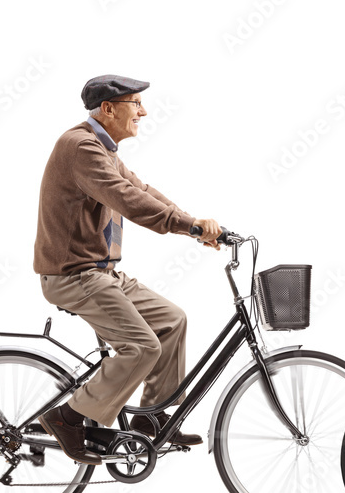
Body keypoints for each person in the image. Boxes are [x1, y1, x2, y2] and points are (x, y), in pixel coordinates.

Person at [33, 74, 222, 465]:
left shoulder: (103, 150)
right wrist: (189, 226)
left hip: (101, 274)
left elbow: (141, 190)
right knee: (142, 347)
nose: (144, 112)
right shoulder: (81, 146)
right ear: (108, 109)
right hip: (73, 276)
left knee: (171, 320)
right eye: (136, 104)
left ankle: (150, 417)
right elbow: (128, 200)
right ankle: (66, 418)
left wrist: (195, 226)